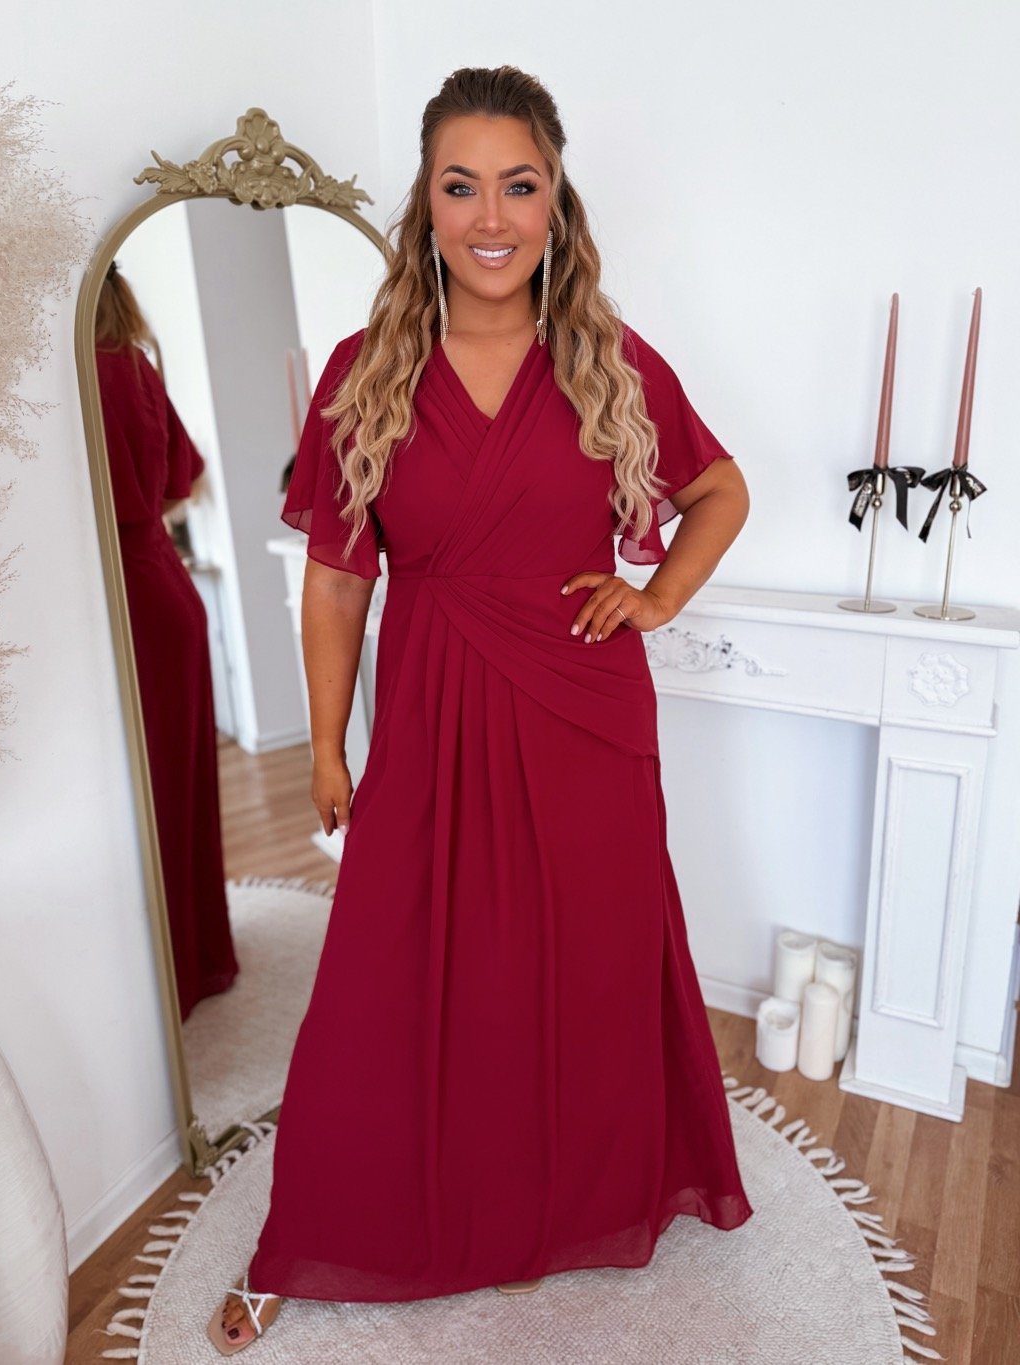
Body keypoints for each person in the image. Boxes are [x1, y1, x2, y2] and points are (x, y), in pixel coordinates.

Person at [208, 65, 752, 1355]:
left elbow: (719, 490)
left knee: (583, 970)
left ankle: (561, 1209)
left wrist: (656, 596)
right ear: (427, 202)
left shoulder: (608, 360)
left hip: (583, 712)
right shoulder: (368, 371)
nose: (492, 216)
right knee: (385, 977)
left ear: (556, 200)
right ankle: (315, 1226)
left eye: (520, 184)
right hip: (434, 708)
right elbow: (338, 579)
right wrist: (328, 744)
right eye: (463, 186)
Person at [95, 263, 240, 1021]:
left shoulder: (75, 376)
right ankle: (200, 958)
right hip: (165, 588)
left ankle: (171, 976)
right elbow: (183, 481)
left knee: (144, 796)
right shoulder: (135, 366)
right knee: (178, 788)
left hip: (124, 598)